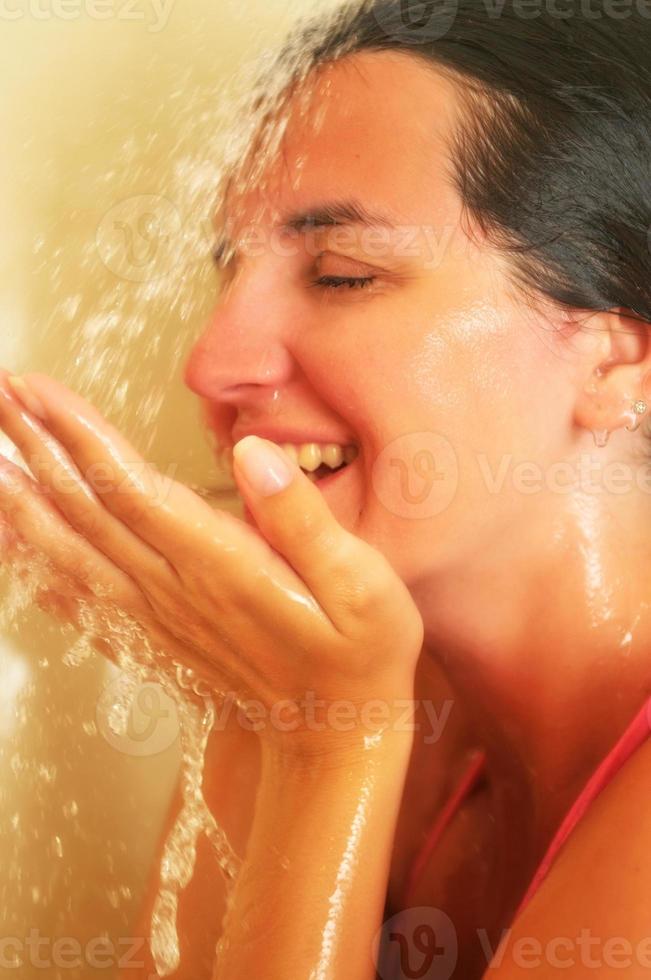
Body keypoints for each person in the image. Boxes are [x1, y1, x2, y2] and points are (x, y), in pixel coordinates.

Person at [0, 0, 650, 976]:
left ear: (614, 363)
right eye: (225, 275)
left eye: (342, 273)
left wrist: (325, 745)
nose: (209, 363)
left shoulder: (337, 691)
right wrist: (261, 708)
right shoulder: (333, 667)